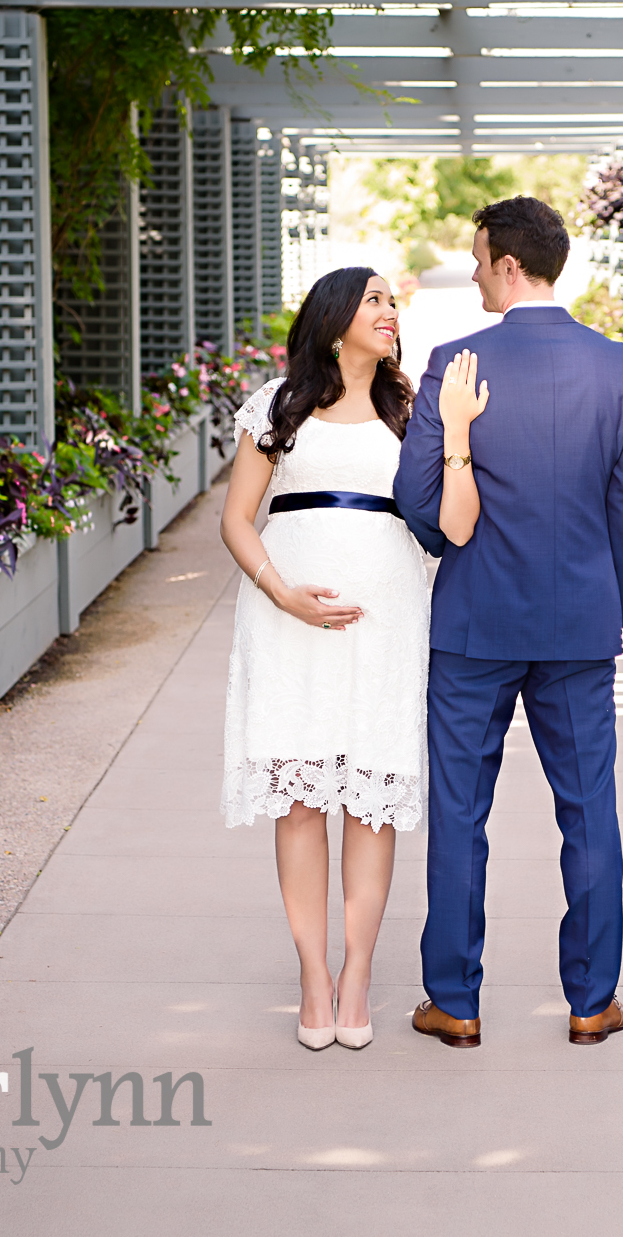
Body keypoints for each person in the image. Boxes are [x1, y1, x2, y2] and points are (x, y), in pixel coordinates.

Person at [394, 196, 623, 1049]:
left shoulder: (454, 361)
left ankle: (455, 1001)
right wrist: (604, 611)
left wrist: (446, 541)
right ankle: (591, 1000)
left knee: (460, 812)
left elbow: (419, 501)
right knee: (590, 810)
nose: (471, 273)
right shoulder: (622, 369)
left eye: (477, 260)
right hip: (578, 626)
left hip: (473, 624)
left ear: (511, 265)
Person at [219, 266, 487, 1052]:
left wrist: (462, 433)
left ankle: (359, 974)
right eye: (374, 299)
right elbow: (238, 520)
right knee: (301, 801)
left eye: (392, 301)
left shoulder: (414, 409)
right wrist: (281, 591)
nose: (389, 312)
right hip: (287, 622)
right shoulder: (278, 406)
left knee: (370, 802)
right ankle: (312, 976)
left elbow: (457, 522)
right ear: (335, 318)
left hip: (389, 623)